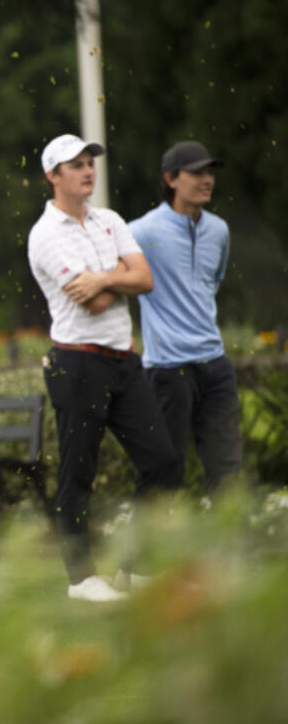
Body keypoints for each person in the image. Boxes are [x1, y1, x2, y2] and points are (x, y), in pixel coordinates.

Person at [27, 133, 182, 602]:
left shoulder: (109, 220)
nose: (88, 170)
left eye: (89, 161)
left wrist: (105, 275)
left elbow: (146, 279)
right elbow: (94, 302)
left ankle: (134, 570)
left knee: (163, 461)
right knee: (78, 473)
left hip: (123, 363)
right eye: (75, 165)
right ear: (53, 176)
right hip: (78, 363)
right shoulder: (46, 234)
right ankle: (81, 580)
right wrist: (118, 277)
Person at [129, 141, 242, 495]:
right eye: (197, 172)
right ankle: (147, 549)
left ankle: (229, 550)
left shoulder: (219, 230)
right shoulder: (142, 232)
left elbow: (211, 283)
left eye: (210, 172)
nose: (207, 179)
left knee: (227, 470)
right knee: (164, 469)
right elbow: (120, 279)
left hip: (215, 365)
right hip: (167, 369)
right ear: (171, 179)